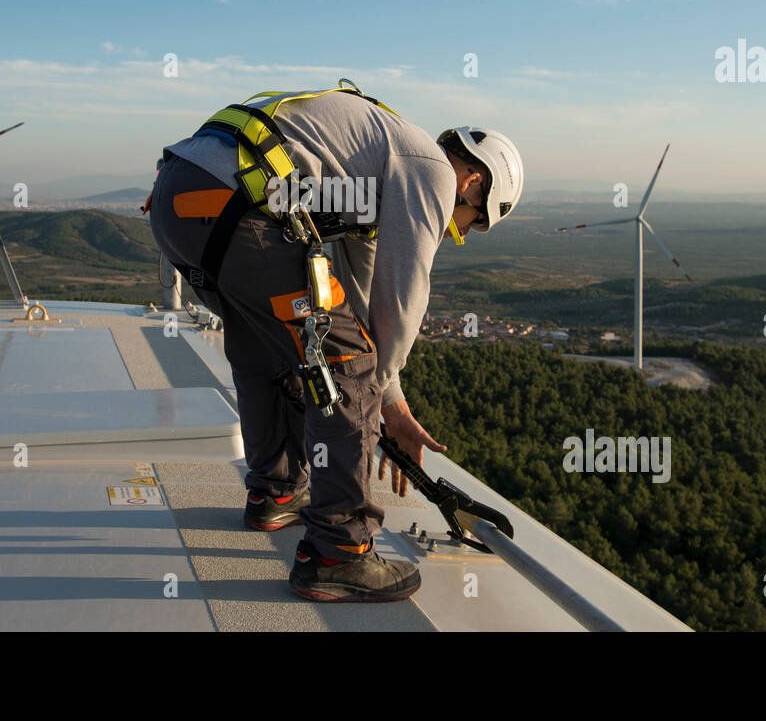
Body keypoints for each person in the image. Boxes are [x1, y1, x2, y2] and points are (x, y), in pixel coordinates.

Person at [146, 81, 523, 601]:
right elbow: (399, 304)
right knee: (345, 362)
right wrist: (371, 396)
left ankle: (276, 491)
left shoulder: (377, 164)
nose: (453, 231)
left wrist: (391, 402)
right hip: (240, 205)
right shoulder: (431, 171)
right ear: (472, 181)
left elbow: (363, 299)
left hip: (182, 198)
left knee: (274, 347)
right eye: (468, 225)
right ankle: (339, 551)